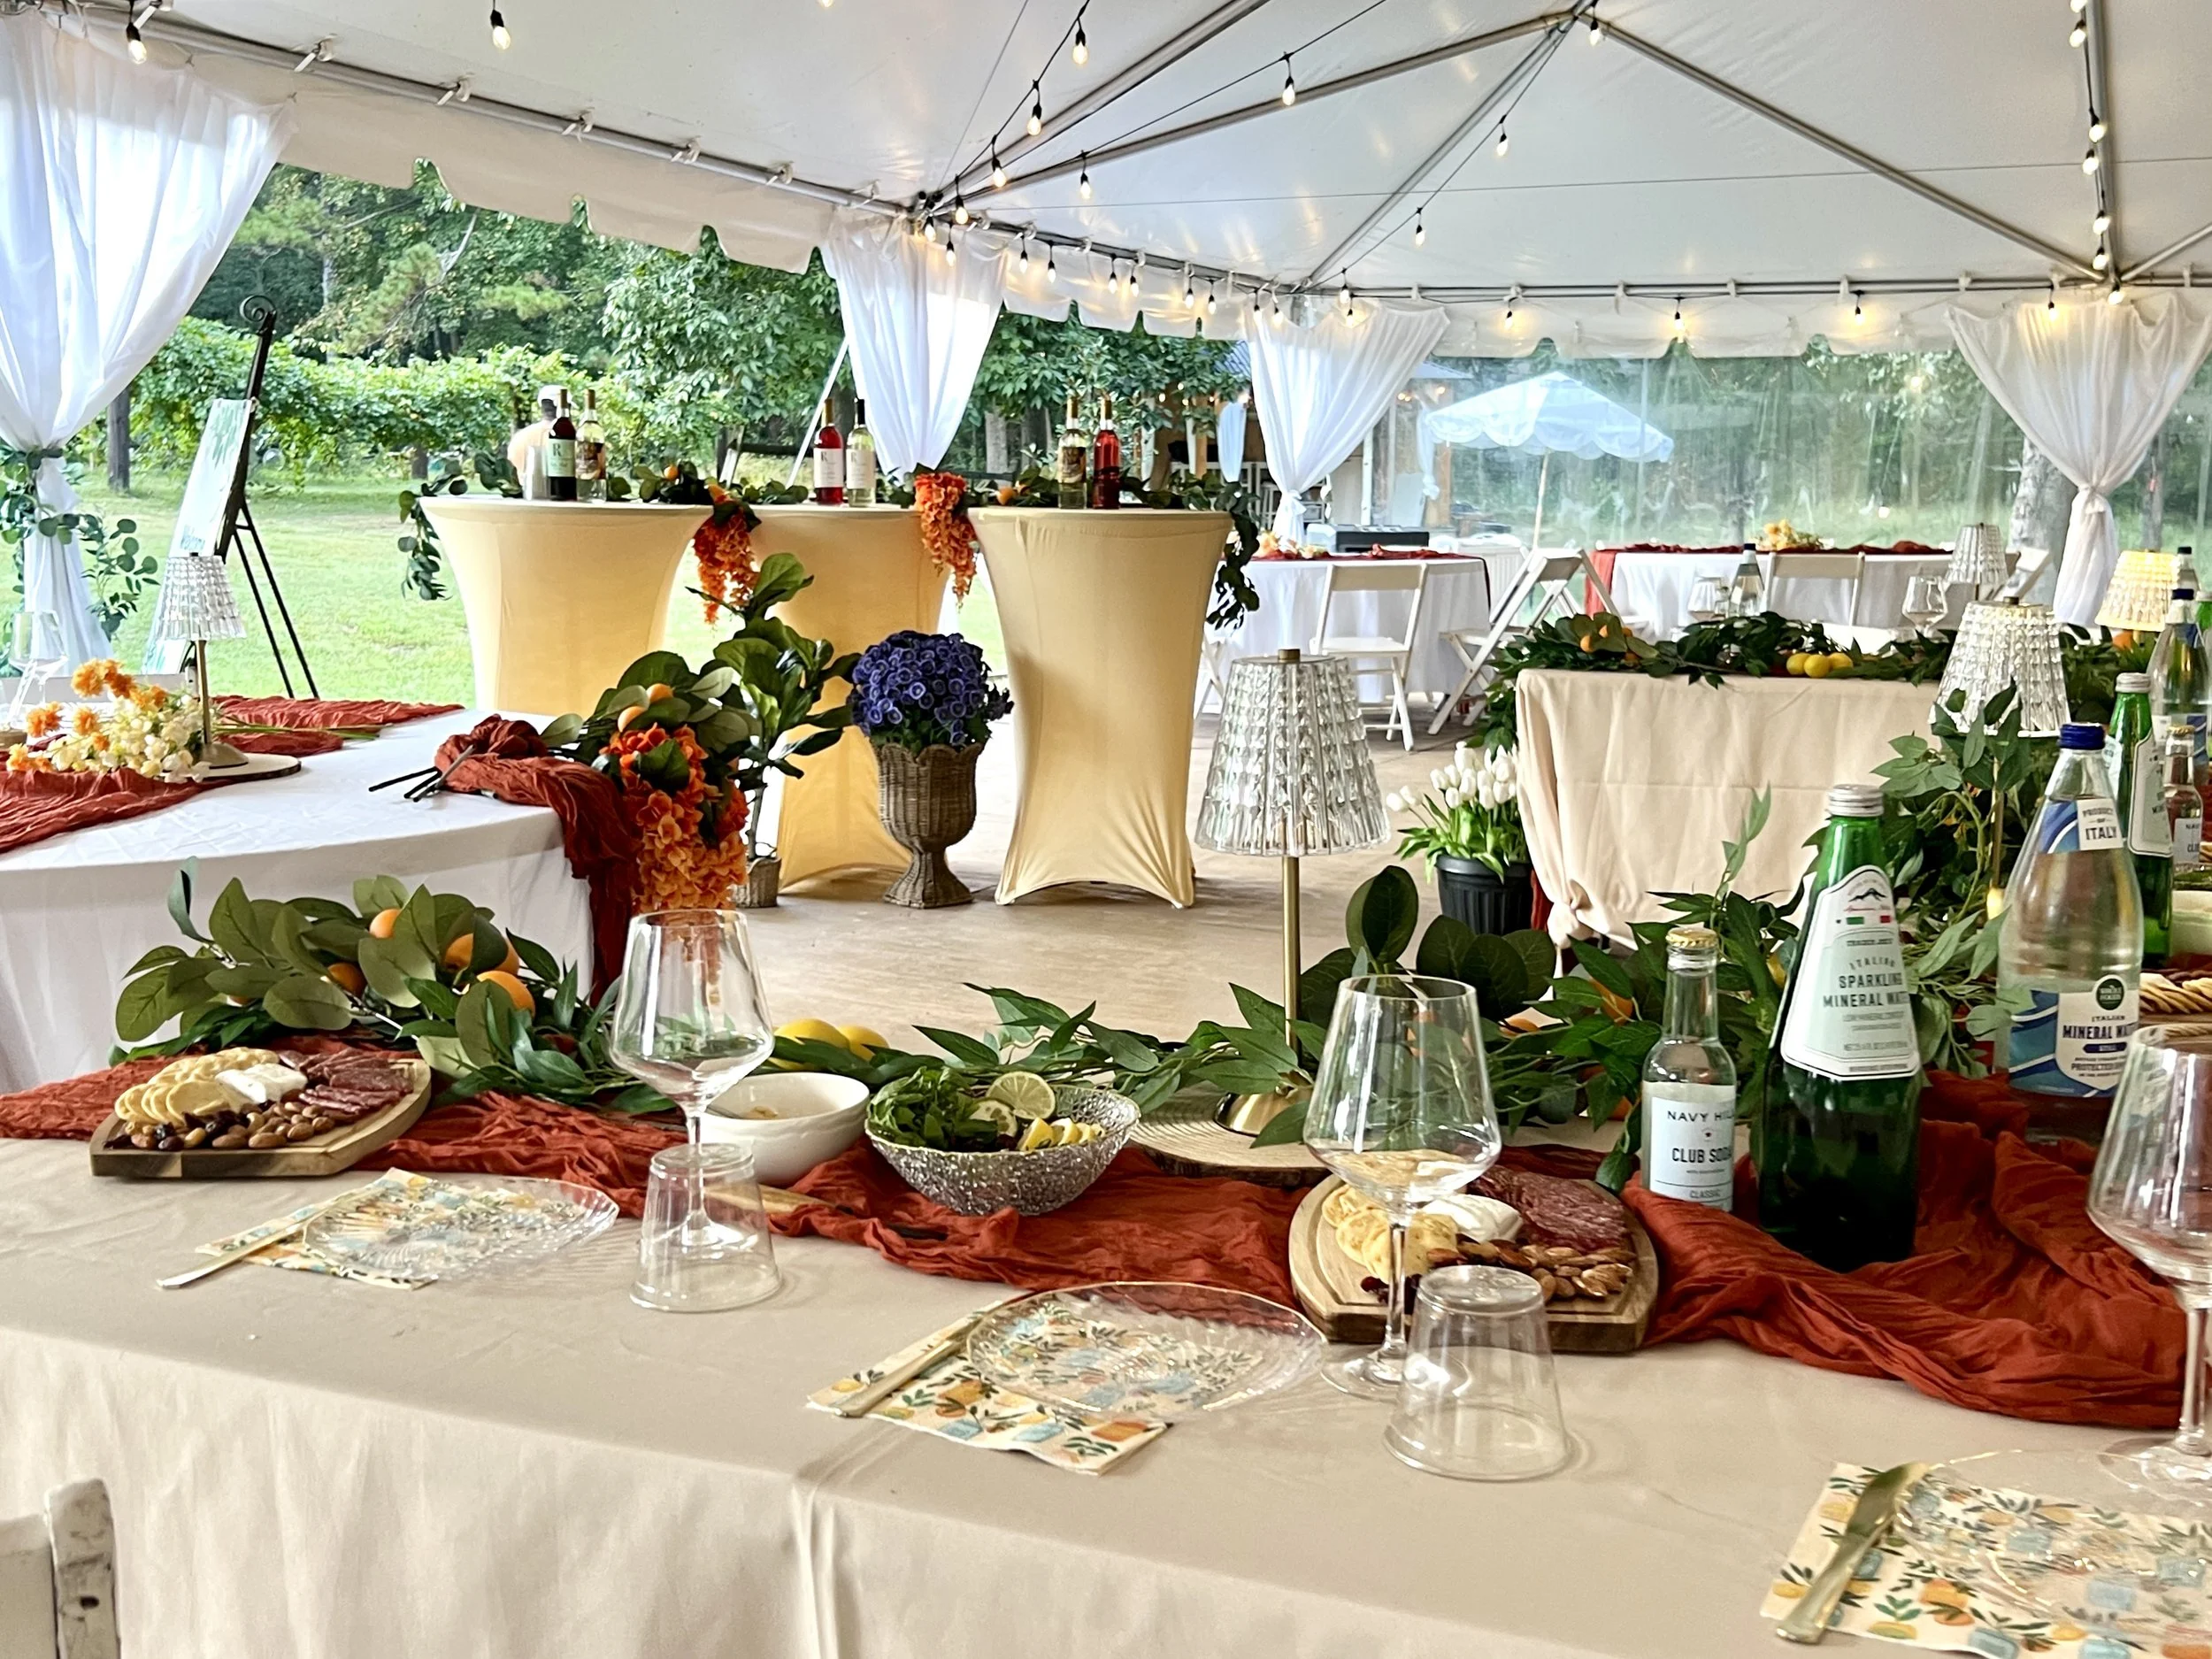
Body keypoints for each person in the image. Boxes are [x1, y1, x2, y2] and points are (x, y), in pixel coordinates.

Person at [506, 386, 565, 497]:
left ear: (541, 407)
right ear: (566, 407)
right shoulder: (572, 438)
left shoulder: (519, 437)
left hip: (524, 500)